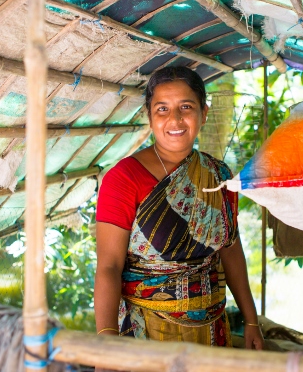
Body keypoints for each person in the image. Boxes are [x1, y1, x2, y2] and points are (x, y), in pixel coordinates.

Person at [94, 67, 264, 353]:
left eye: (186, 107)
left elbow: (231, 249)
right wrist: (105, 342)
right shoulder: (124, 179)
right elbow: (109, 266)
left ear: (204, 113)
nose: (175, 119)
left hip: (213, 331)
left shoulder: (218, 173)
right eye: (162, 109)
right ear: (149, 116)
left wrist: (251, 321)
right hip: (147, 332)